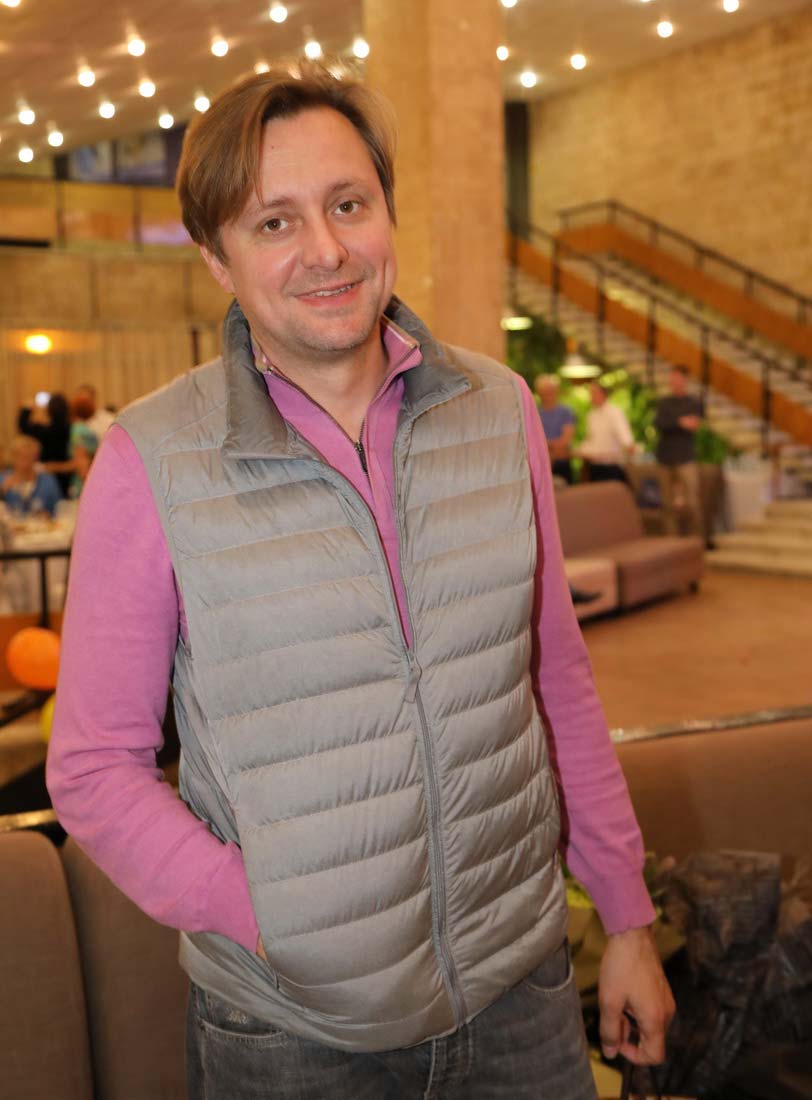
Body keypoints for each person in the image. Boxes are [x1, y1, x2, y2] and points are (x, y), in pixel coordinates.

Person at [47, 65, 673, 1099]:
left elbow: (552, 675)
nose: (327, 250)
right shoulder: (153, 460)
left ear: (386, 211)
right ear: (216, 258)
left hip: (517, 989)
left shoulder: (497, 410)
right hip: (293, 1034)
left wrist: (626, 916)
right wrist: (271, 915)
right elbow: (93, 768)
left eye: (347, 204)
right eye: (274, 222)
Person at [655, 365, 705, 537]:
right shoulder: (664, 403)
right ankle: (672, 540)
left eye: (677, 378)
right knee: (667, 504)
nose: (674, 381)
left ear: (685, 380)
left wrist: (675, 422)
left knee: (692, 502)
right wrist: (679, 421)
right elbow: (660, 424)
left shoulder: (693, 402)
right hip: (665, 457)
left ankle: (695, 540)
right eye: (672, 378)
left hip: (685, 456)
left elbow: (693, 425)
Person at [579, 381, 635, 482]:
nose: (591, 397)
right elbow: (590, 438)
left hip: (611, 465)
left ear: (603, 394)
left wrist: (629, 447)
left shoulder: (614, 413)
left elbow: (624, 435)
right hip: (594, 465)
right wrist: (582, 450)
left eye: (594, 393)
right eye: (591, 393)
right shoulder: (591, 415)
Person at [18, 392, 72, 496]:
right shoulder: (72, 430)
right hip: (66, 478)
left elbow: (23, 426)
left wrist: (27, 408)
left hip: (46, 476)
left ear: (49, 410)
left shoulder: (45, 431)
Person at [0, 434, 62, 516]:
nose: (24, 461)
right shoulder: (2, 479)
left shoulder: (48, 481)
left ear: (36, 457)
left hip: (41, 524)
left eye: (29, 456)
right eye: (20, 456)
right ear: (13, 457)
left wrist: (48, 515)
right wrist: (3, 489)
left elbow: (60, 509)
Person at [535, 373, 576, 483]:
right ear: (539, 392)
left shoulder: (566, 412)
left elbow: (566, 440)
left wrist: (546, 446)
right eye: (544, 391)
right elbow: (532, 441)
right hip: (539, 465)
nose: (548, 394)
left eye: (551, 390)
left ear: (557, 391)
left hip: (561, 464)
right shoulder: (535, 412)